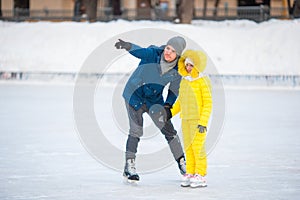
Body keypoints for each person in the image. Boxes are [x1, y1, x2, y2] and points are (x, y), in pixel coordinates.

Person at [114, 36, 187, 182]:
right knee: (136, 131)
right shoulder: (153, 54)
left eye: (172, 51)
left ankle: (182, 162)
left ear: (178, 55)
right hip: (135, 95)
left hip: (155, 100)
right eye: (167, 48)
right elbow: (140, 52)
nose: (168, 52)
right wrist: (128, 45)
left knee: (169, 131)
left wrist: (167, 106)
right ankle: (129, 166)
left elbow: (174, 90)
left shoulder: (177, 70)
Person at [165, 49, 212, 188]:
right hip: (185, 119)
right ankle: (191, 172)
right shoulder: (185, 81)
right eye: (186, 65)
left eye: (191, 65)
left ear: (197, 65)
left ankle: (201, 174)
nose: (188, 67)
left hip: (198, 120)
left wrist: (203, 122)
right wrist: (170, 113)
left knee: (198, 147)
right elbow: (181, 101)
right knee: (189, 147)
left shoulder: (202, 81)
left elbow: (208, 103)